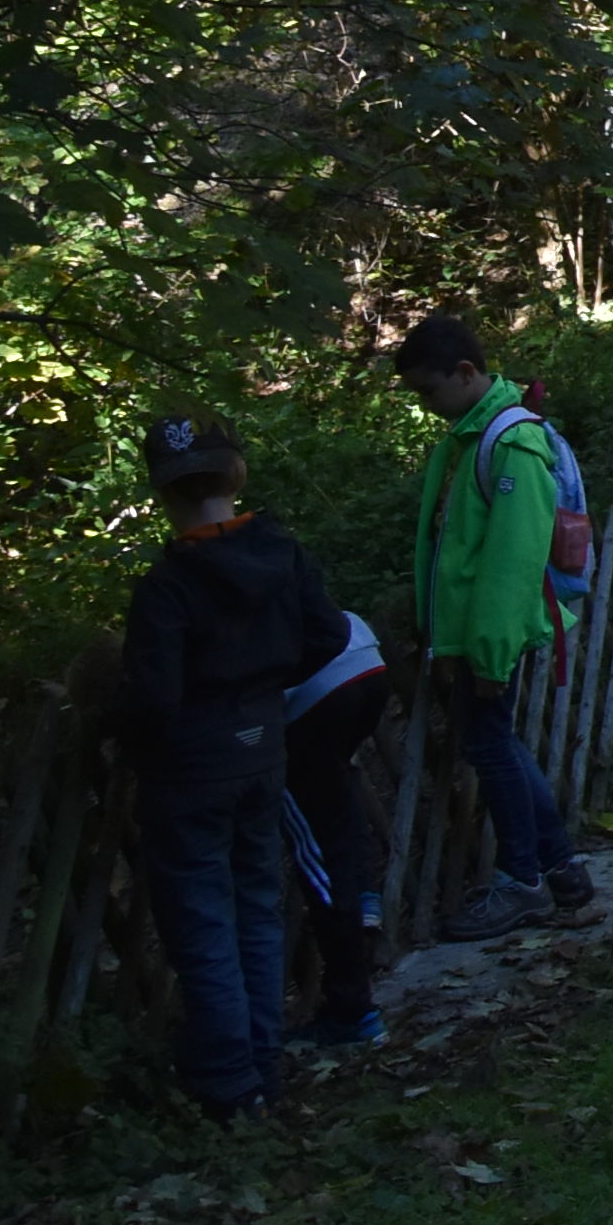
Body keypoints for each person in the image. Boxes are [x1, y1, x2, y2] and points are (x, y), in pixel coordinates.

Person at [122, 413, 349, 1117]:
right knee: (255, 907)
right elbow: (330, 634)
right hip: (263, 749)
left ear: (162, 492)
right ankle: (262, 1067)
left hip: (192, 767)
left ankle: (228, 1083)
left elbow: (152, 698)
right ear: (237, 473)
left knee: (202, 923)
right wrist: (266, 686)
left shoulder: (168, 586)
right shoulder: (282, 554)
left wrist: (133, 742)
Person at [397, 314, 594, 940]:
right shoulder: (471, 436)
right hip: (472, 634)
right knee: (497, 744)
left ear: (464, 373)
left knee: (491, 748)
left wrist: (489, 654)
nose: (425, 406)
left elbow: (512, 560)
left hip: (489, 638)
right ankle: (560, 870)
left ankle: (523, 880)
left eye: (429, 391)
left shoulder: (511, 444)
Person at [280, 595, 393, 1049]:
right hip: (362, 654)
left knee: (318, 846)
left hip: (311, 690)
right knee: (334, 796)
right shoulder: (266, 560)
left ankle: (353, 1008)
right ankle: (364, 896)